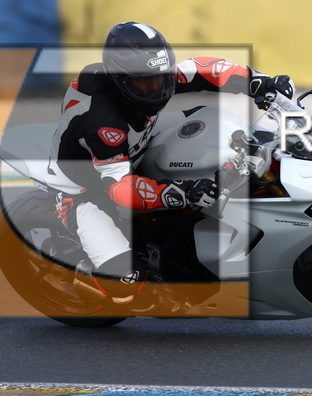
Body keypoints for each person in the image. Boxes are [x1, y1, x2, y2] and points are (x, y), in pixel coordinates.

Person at [45, 21, 294, 294]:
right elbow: (120, 190)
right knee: (126, 282)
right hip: (86, 188)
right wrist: (183, 192)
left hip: (136, 140)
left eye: (162, 75)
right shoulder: (102, 122)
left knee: (213, 121)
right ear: (119, 79)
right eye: (145, 80)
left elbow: (201, 69)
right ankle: (76, 267)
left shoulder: (146, 75)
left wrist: (260, 82)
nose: (157, 86)